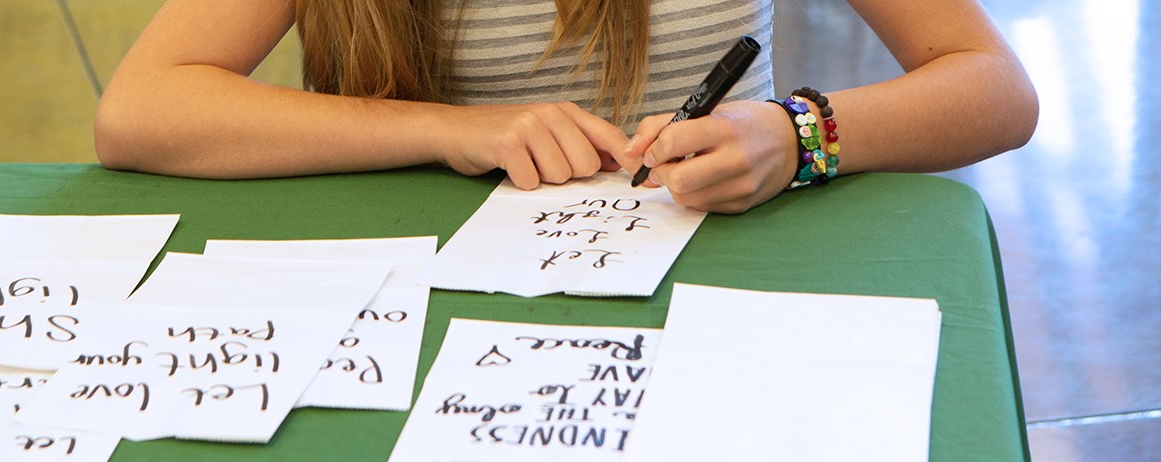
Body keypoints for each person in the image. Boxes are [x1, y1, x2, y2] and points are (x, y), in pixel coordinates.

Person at [94, 0, 1037, 214]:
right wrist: (442, 126)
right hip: (437, 285)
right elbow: (142, 109)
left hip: (719, 252)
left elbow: (995, 89)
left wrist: (797, 134)